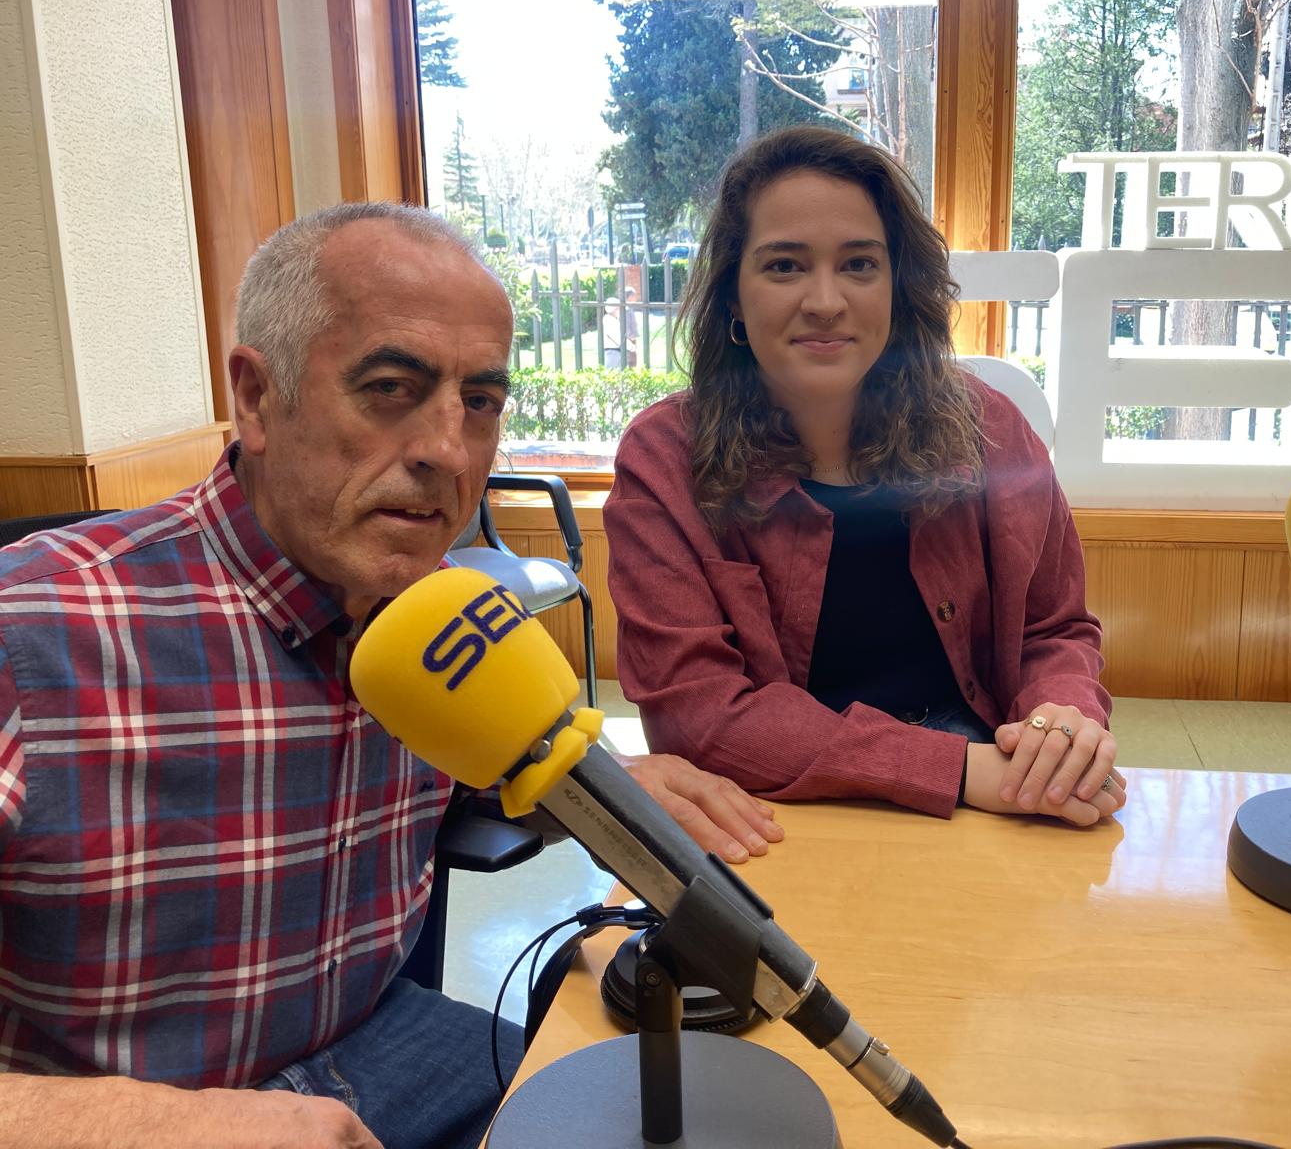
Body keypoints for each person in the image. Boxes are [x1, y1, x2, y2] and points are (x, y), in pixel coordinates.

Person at [0, 203, 781, 1149]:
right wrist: (151, 1124)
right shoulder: (33, 632)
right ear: (255, 396)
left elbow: (484, 771)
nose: (450, 452)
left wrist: (586, 788)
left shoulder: (443, 615)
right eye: (389, 386)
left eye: (481, 403)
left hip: (389, 1050)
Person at [604, 126, 1126, 827]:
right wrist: (956, 767)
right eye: (784, 266)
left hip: (993, 785)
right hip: (774, 805)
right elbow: (699, 715)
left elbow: (1054, 627)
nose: (825, 301)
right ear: (732, 295)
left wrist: (1061, 723)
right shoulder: (664, 457)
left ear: (897, 288)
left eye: (859, 265)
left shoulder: (991, 428)